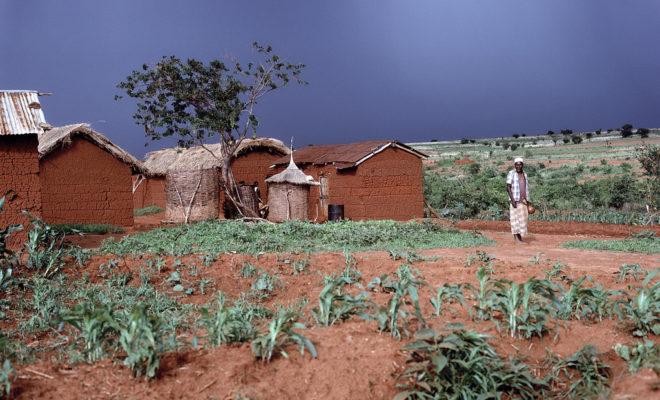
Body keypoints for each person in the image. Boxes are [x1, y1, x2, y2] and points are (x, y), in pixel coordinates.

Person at [506, 157, 530, 243]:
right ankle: (517, 239)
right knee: (515, 219)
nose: (518, 166)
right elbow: (508, 187)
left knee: (523, 220)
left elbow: (526, 188)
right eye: (517, 164)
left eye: (520, 164)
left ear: (522, 165)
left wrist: (528, 201)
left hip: (523, 201)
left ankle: (519, 238)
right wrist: (512, 200)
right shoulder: (511, 173)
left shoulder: (525, 174)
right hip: (515, 201)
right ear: (514, 165)